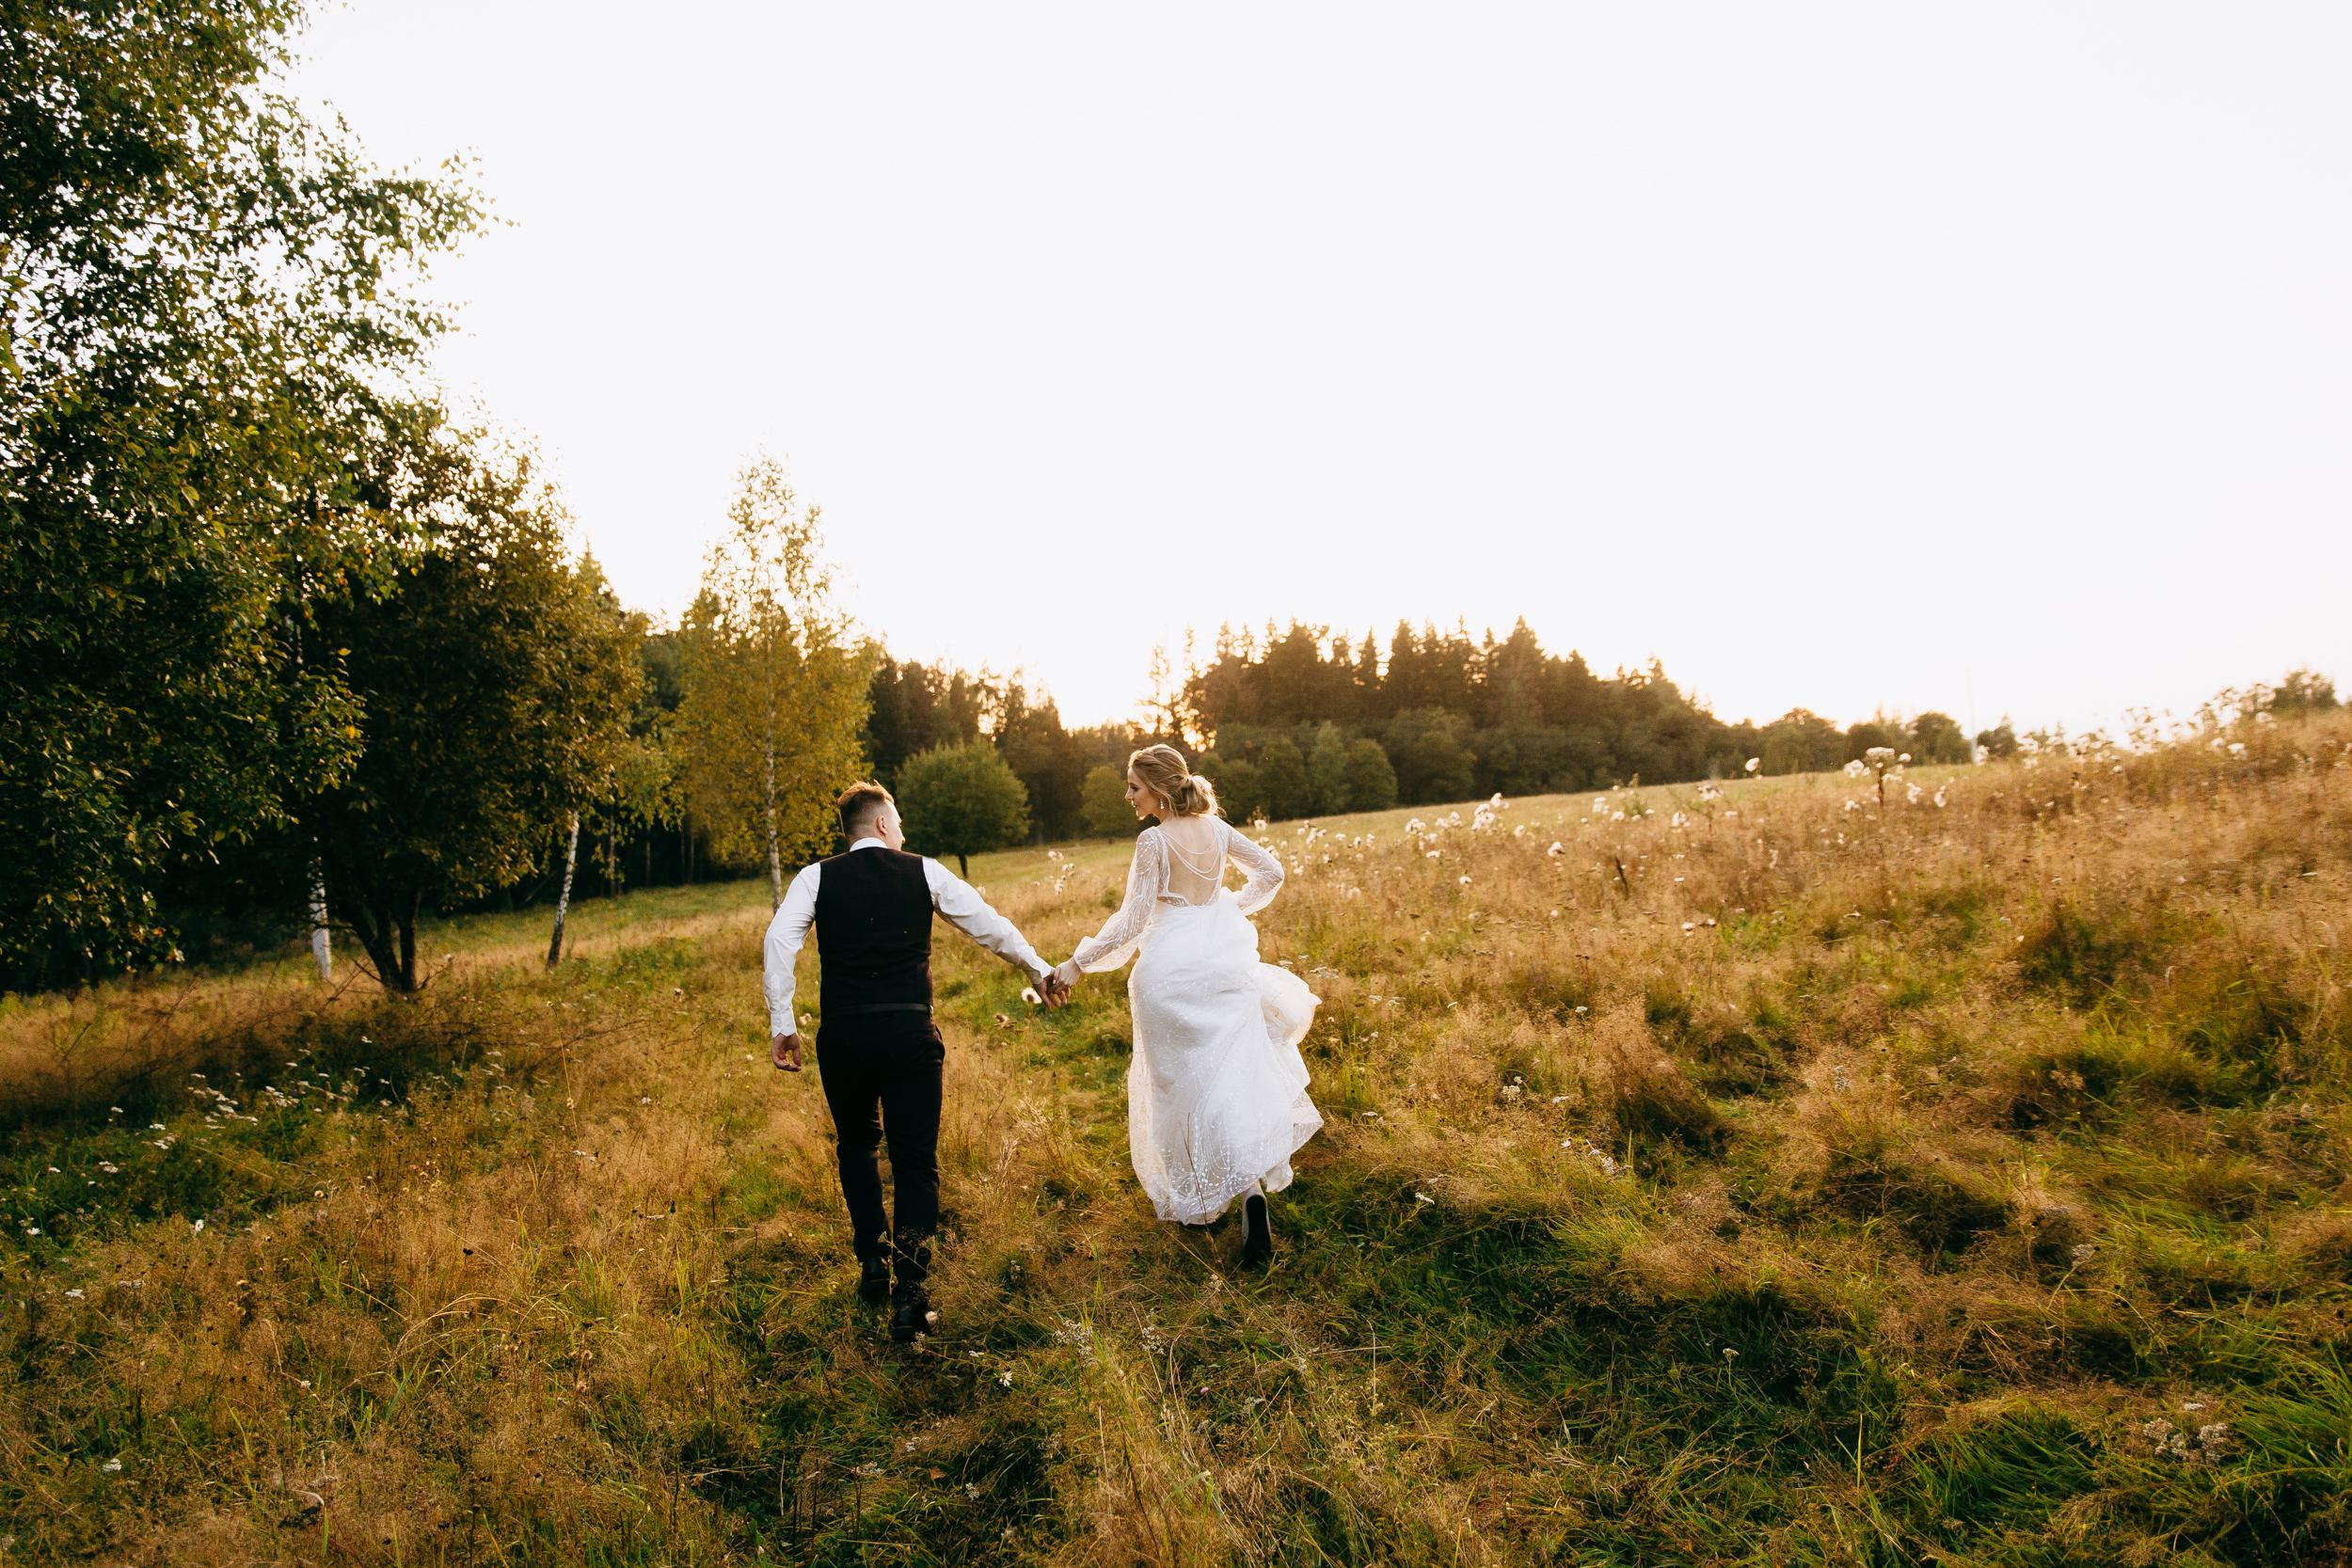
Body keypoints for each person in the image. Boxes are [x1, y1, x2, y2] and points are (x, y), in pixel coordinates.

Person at [767, 782, 1067, 1342]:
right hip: (908, 1032)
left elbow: (779, 942)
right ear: (881, 824)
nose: (902, 831)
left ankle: (872, 1263)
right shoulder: (923, 870)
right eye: (897, 820)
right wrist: (1036, 967)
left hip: (845, 1037)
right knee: (915, 1160)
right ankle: (912, 1294)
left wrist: (784, 1023)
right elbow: (988, 925)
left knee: (857, 1143)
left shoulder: (815, 877)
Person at [1051, 744, 1322, 1267]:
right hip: (1225, 969)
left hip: (1168, 977)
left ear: (1157, 789)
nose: (1128, 796)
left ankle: (1207, 1196)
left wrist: (1077, 963)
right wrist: (1223, 910)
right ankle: (1250, 1193)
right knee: (1231, 1080)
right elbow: (1272, 874)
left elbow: (1131, 923)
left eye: (1133, 786)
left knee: (1181, 1087)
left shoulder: (1153, 842)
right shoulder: (1217, 832)